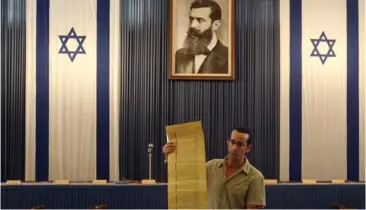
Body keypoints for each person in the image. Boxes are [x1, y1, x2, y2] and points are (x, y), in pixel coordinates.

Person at [163, 127, 266, 209]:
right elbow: (186, 174)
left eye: (240, 144)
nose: (234, 148)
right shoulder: (211, 166)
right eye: (233, 142)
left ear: (248, 148)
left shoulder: (255, 177)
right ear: (228, 142)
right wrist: (171, 156)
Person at [175, 0, 228, 74]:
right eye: (191, 19)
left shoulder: (228, 57)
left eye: (200, 20)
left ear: (216, 25)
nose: (192, 25)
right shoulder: (179, 55)